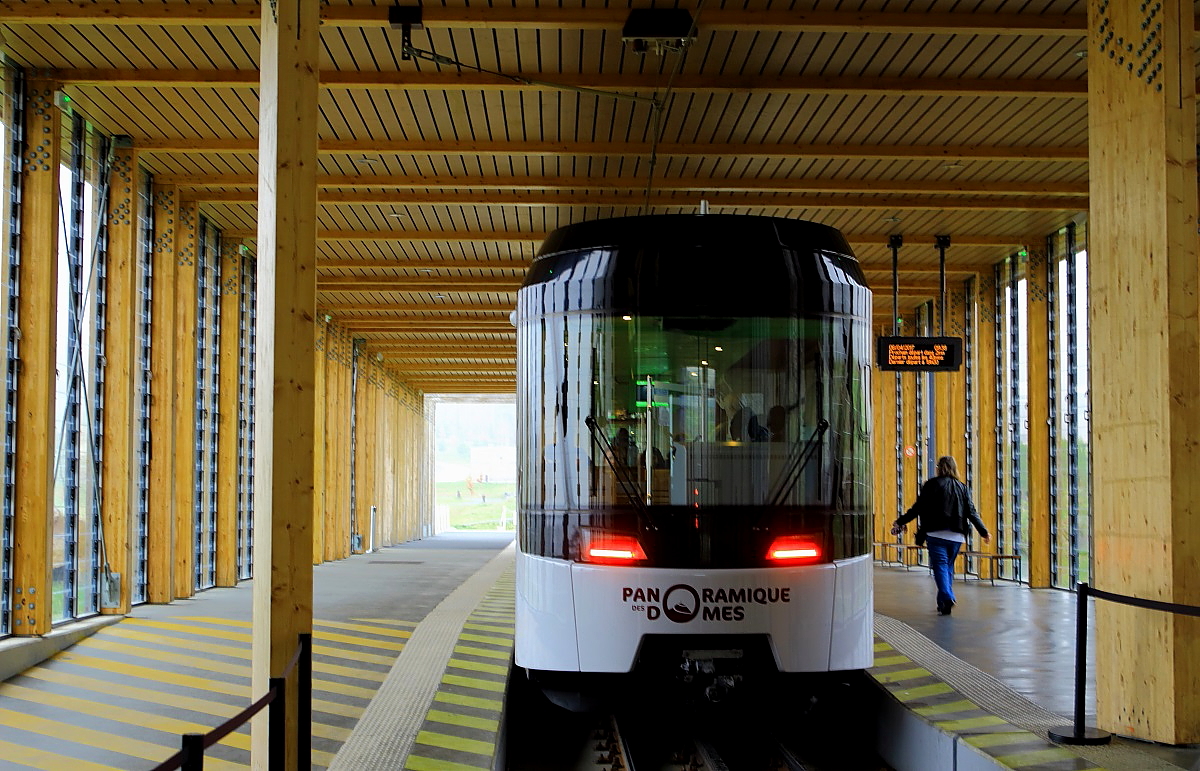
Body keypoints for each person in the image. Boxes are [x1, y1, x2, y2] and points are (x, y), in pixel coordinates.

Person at [890, 456, 990, 616]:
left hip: (935, 533)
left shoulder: (931, 485)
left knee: (940, 566)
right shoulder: (962, 487)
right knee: (947, 567)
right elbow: (971, 512)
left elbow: (918, 508)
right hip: (957, 536)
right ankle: (943, 604)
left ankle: (948, 596)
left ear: (939, 468)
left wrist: (900, 521)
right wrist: (984, 531)